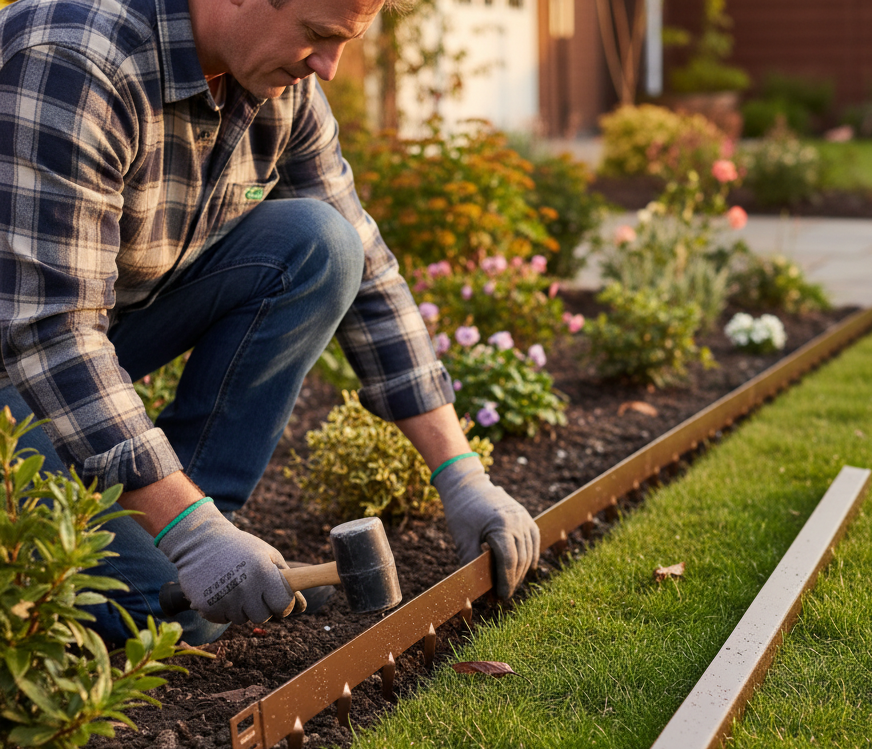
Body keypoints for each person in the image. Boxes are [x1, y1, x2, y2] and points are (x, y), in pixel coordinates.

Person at [0, 0, 540, 646]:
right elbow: (50, 334)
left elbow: (368, 273)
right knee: (166, 614)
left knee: (322, 245)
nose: (330, 67)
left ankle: (186, 523)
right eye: (317, 36)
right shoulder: (77, 60)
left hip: (95, 335)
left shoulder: (278, 85)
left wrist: (463, 476)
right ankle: (182, 540)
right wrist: (192, 536)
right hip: (26, 351)